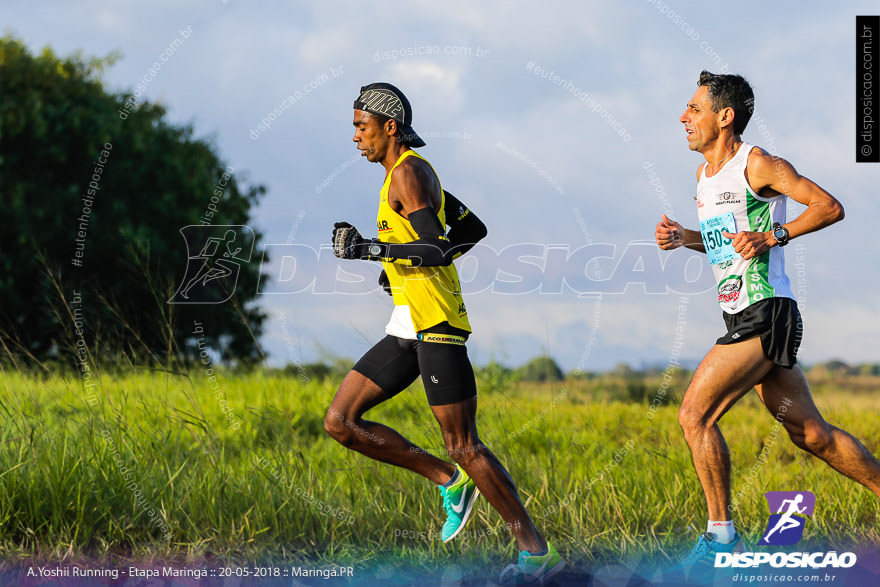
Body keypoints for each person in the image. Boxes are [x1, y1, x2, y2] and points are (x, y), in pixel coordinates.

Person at [325, 82, 564, 584]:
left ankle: (537, 554)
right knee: (341, 422)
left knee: (465, 445)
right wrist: (399, 271)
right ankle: (446, 481)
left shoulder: (409, 174)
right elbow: (471, 229)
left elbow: (434, 247)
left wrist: (374, 251)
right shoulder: (404, 173)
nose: (354, 137)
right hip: (407, 324)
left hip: (436, 325)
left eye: (360, 126)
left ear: (389, 127)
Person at [655, 70, 880, 572]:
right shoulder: (704, 178)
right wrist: (683, 238)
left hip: (766, 312)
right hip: (743, 312)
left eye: (694, 109)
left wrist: (774, 236)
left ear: (724, 116)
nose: (684, 118)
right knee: (812, 435)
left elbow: (828, 207)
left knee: (695, 415)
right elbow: (723, 241)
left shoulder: (758, 164)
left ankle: (721, 538)